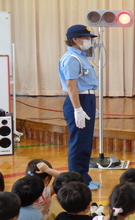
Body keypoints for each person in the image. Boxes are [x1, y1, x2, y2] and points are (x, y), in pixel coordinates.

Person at [58, 24, 100, 190]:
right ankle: (76, 182)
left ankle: (84, 177)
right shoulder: (71, 59)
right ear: (75, 39)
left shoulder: (81, 56)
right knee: (78, 143)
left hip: (87, 98)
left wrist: (90, 106)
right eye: (86, 38)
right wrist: (78, 109)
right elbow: (71, 86)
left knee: (85, 142)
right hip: (78, 100)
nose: (89, 41)